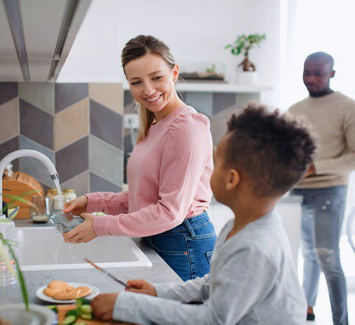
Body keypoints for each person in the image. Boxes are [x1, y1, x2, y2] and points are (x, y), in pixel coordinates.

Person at [88, 105, 314, 324]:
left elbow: (213, 319)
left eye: (216, 162)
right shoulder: (240, 226)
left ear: (231, 179)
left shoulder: (254, 247)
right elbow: (213, 283)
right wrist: (158, 292)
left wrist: (128, 306)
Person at [62, 35, 216, 281]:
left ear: (174, 72)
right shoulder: (155, 126)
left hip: (183, 240)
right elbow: (144, 197)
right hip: (163, 236)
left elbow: (169, 212)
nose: (148, 90)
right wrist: (92, 202)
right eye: (137, 82)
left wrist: (99, 226)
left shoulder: (186, 126)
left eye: (157, 78)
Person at [288, 52, 355, 325]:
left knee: (328, 257)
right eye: (306, 73)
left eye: (318, 73)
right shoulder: (294, 109)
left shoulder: (347, 107)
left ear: (333, 74)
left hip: (329, 190)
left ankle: (341, 320)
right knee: (307, 256)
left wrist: (316, 167)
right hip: (296, 192)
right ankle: (307, 308)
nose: (311, 79)